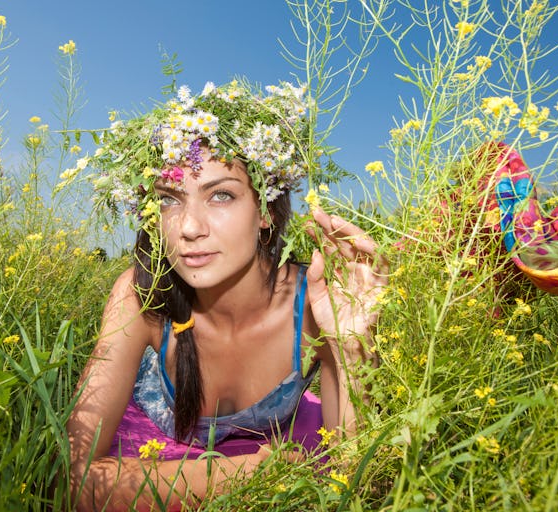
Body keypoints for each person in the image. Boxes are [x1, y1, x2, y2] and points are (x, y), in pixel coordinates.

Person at [66, 79, 386, 511]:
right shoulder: (142, 293)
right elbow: (74, 477)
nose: (189, 227)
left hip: (282, 440)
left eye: (221, 195)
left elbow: (361, 472)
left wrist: (351, 345)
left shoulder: (316, 301)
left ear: (267, 212)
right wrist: (251, 473)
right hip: (157, 451)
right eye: (169, 200)